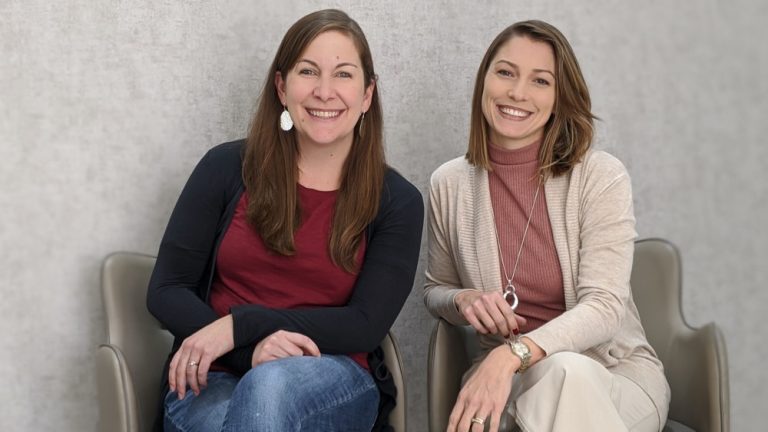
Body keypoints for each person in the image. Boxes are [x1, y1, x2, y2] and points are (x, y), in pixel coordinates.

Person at [146, 9, 423, 432]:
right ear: (282, 86)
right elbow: (167, 289)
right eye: (308, 71)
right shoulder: (226, 167)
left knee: (270, 388)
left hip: (333, 375)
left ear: (367, 94)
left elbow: (364, 325)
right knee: (253, 406)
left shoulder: (397, 202)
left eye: (344, 75)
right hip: (213, 376)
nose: (324, 91)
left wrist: (243, 325)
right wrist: (245, 351)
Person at [424, 20, 670, 432]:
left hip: (615, 379)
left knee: (567, 374)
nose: (518, 93)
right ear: (484, 79)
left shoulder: (600, 176)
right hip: (507, 389)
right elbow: (435, 290)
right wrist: (465, 299)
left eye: (540, 81)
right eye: (505, 72)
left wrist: (508, 355)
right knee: (558, 379)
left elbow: (605, 308)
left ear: (559, 98)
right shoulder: (448, 184)